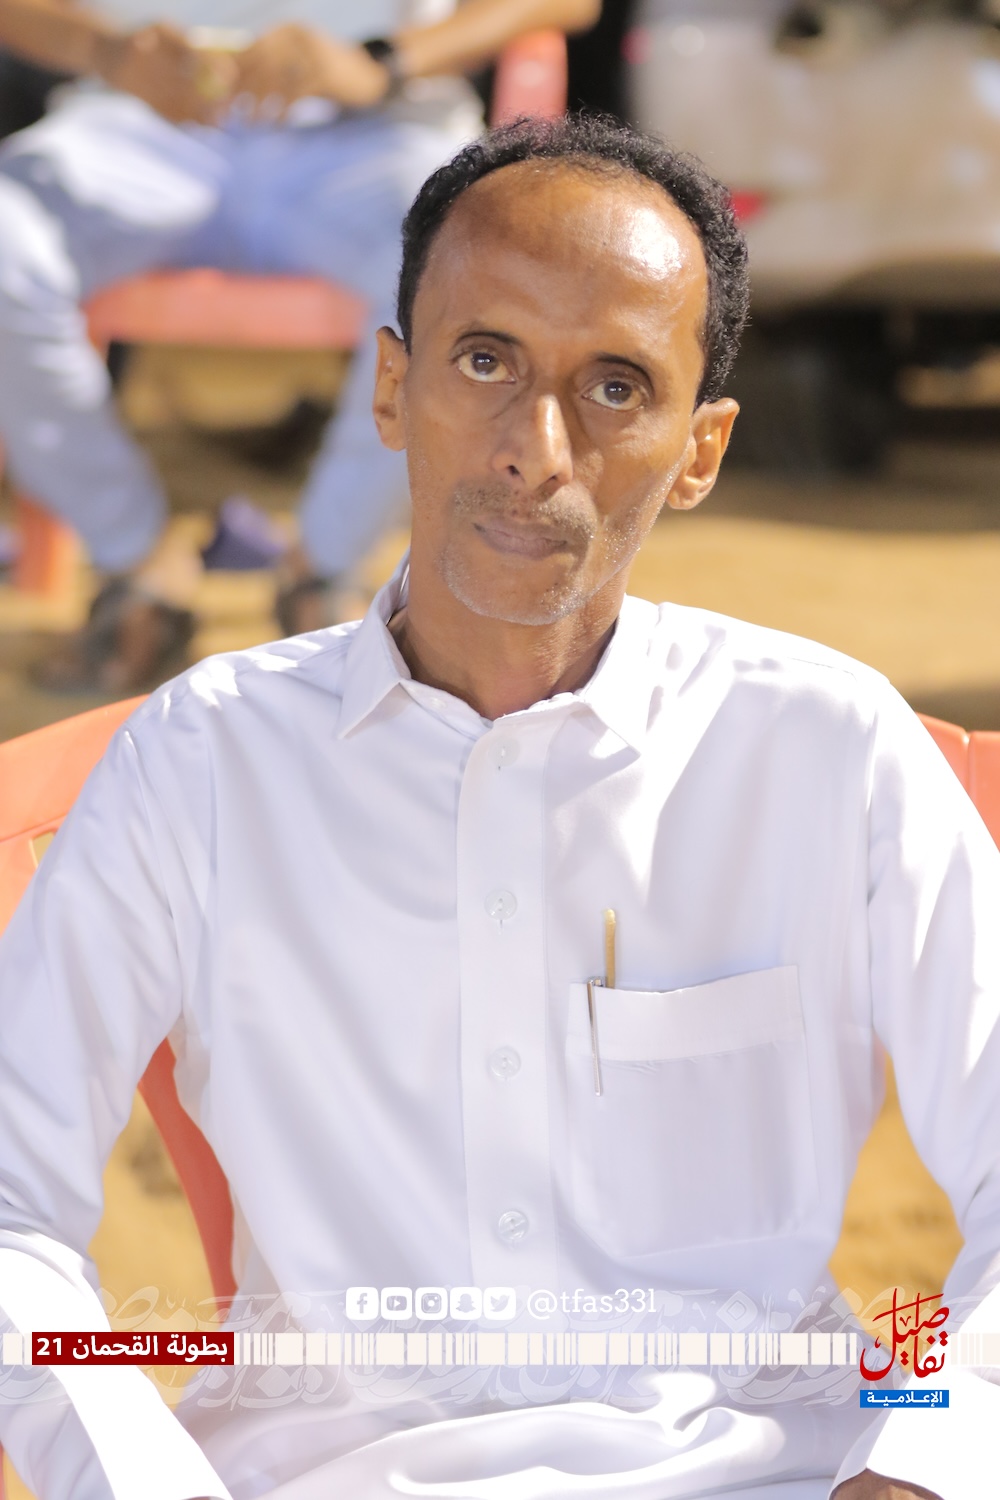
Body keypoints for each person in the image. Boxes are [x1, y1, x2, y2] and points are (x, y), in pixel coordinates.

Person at [0, 114, 997, 1500]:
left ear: (700, 449)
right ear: (391, 389)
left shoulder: (829, 750)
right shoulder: (203, 763)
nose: (536, 447)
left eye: (615, 387)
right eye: (485, 362)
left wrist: (934, 1464)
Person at [0, 0, 599, 692]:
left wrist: (383, 62)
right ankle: (134, 559)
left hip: (383, 129)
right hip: (134, 125)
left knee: (473, 264)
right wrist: (108, 51)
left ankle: (327, 565)